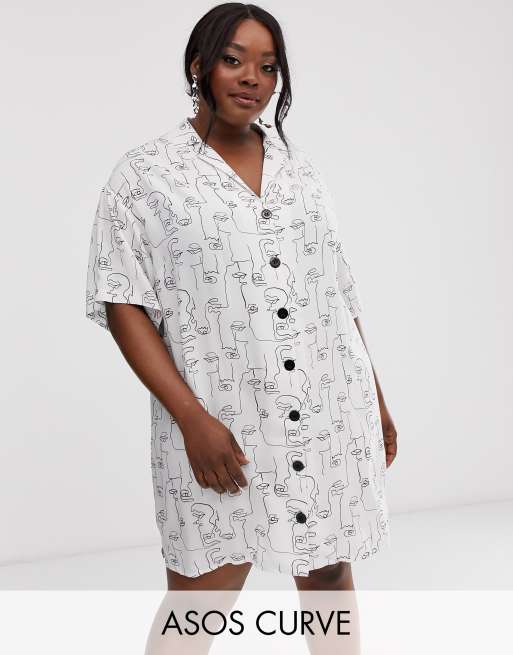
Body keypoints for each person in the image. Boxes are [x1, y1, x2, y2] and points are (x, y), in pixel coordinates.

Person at [85, 3, 398, 597]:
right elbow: (122, 302)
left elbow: (335, 291)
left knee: (329, 571)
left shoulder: (300, 172)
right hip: (223, 422)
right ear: (198, 66)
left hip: (330, 411)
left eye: (269, 66)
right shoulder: (145, 176)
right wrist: (191, 419)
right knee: (203, 589)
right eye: (234, 60)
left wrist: (375, 399)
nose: (253, 78)